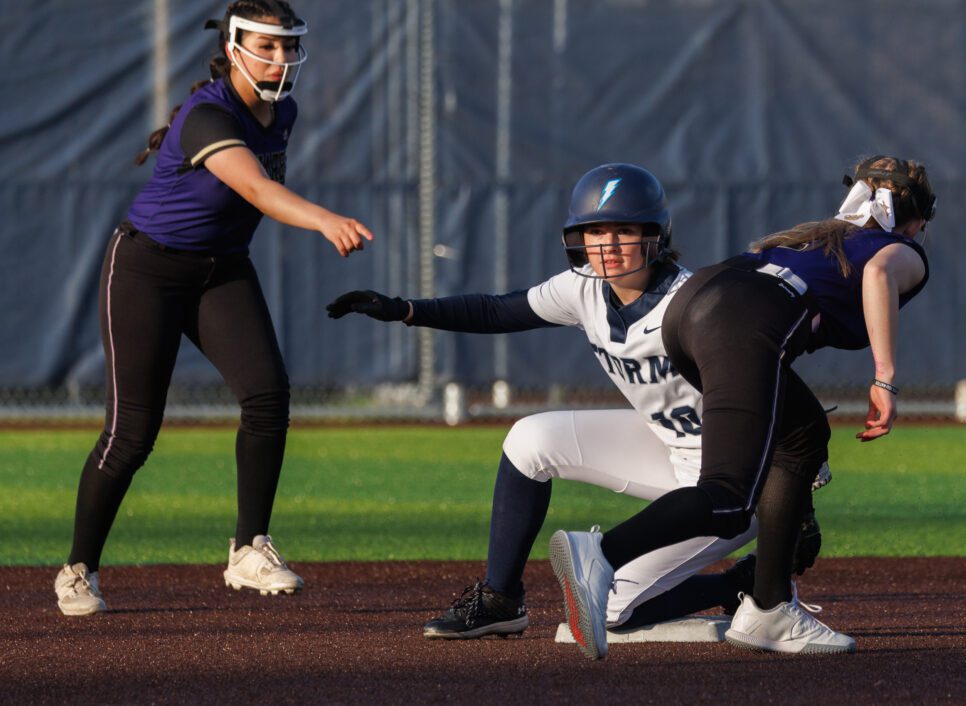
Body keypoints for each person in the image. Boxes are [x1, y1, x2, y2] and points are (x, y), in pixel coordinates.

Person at [325, 163, 825, 640]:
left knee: (606, 608)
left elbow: (778, 388)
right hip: (671, 447)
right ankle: (501, 601)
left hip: (735, 486)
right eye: (593, 232)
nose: (606, 245)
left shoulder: (696, 303)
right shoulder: (582, 287)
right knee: (530, 438)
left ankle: (742, 584)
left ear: (656, 235)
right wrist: (405, 310)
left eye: (623, 231)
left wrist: (796, 503)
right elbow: (497, 310)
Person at [53, 0, 374, 616]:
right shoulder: (207, 114)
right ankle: (78, 568)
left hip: (220, 269)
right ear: (233, 51)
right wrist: (324, 219)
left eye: (288, 46)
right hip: (146, 270)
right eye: (266, 46)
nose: (281, 59)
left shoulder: (284, 111)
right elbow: (256, 188)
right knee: (131, 435)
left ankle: (250, 548)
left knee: (267, 395)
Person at [550, 155, 935, 659]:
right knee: (729, 497)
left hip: (691, 309)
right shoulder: (899, 247)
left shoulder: (814, 235)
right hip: (736, 321)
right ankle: (600, 554)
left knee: (803, 435)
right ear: (918, 221)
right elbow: (881, 273)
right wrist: (884, 378)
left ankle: (767, 608)